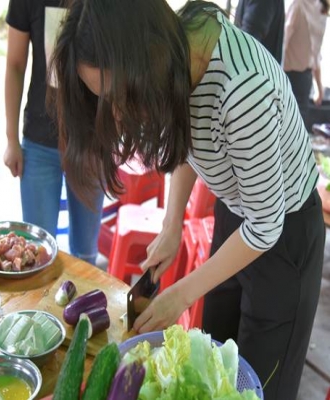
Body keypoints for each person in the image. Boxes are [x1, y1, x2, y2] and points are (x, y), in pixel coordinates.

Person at [48, 1, 325, 399]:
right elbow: (187, 138)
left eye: (118, 95)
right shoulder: (175, 53)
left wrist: (182, 292)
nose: (118, 114)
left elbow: (267, 225)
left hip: (283, 238)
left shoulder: (243, 90)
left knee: (260, 385)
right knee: (214, 372)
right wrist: (172, 221)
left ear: (144, 56)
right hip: (238, 221)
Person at [3, 0, 105, 265]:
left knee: (85, 254)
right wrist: (11, 140)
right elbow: (14, 64)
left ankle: (80, 307)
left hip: (91, 143)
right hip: (38, 141)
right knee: (36, 253)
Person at [283, 0, 329, 130]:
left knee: (283, 128)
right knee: (296, 131)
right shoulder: (322, 9)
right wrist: (319, 88)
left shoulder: (298, 5)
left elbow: (283, 43)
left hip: (288, 77)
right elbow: (316, 54)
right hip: (305, 80)